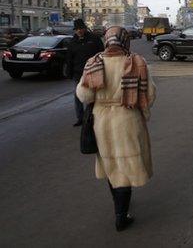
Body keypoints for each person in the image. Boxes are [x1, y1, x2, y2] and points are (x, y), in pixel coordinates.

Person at [76, 26, 156, 231]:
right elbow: (150, 95)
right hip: (128, 118)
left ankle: (119, 206)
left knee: (112, 165)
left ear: (107, 41)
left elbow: (84, 96)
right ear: (125, 41)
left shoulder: (94, 62)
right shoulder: (137, 62)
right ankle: (121, 215)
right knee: (126, 168)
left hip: (101, 120)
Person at [66, 19, 104, 126]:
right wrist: (69, 72)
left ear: (84, 28)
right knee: (78, 96)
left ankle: (91, 117)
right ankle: (80, 118)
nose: (79, 31)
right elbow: (69, 58)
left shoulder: (94, 39)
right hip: (78, 73)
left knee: (92, 95)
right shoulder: (72, 42)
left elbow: (102, 53)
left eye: (81, 28)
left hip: (93, 71)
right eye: (77, 29)